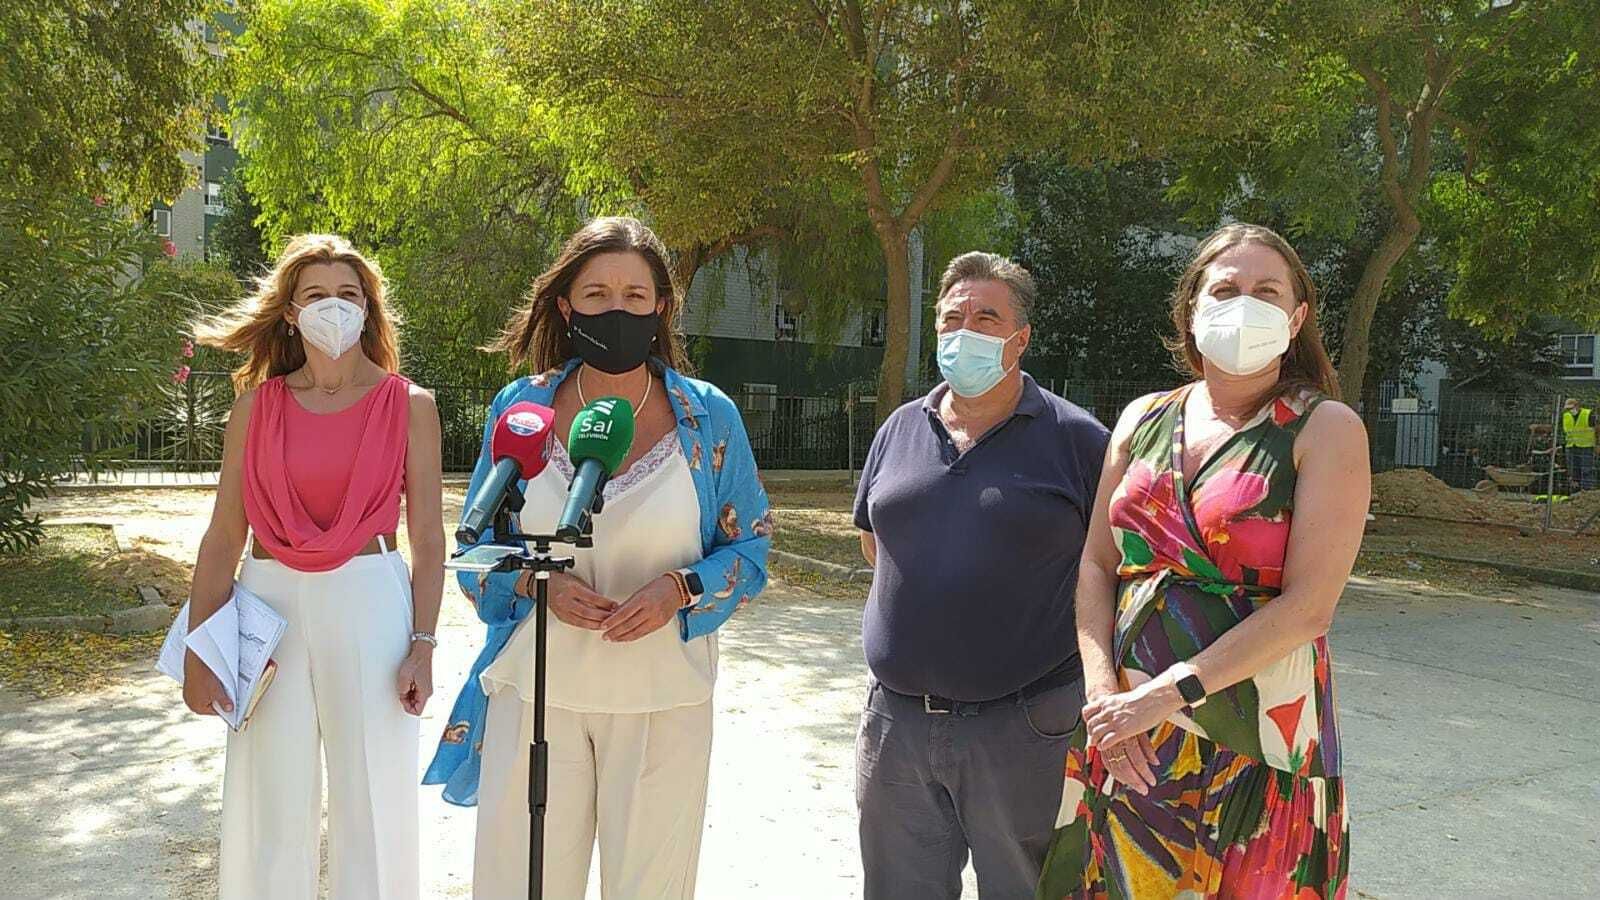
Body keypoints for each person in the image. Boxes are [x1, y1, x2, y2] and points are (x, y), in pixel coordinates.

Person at [424, 216, 772, 898]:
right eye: (597, 294)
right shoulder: (522, 408)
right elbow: (475, 546)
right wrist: (536, 585)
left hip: (663, 702)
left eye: (635, 296)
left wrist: (681, 587)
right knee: (519, 884)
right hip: (536, 694)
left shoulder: (709, 417)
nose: (617, 310)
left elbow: (752, 548)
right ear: (565, 306)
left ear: (661, 307)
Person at [1037, 223, 1369, 899]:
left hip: (1255, 740)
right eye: (1225, 289)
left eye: (1266, 291)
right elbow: (1097, 564)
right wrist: (1104, 696)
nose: (1244, 303)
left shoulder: (1325, 428)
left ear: (1296, 318)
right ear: (1191, 310)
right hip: (1127, 735)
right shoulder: (1141, 419)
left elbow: (1310, 608)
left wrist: (1164, 696)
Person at [186, 234, 444, 899]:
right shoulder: (255, 407)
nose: (335, 306)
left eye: (349, 294)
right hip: (267, 600)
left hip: (370, 597)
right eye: (317, 294)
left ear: (368, 309)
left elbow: (427, 538)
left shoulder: (410, 405)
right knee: (269, 797)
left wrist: (423, 645)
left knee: (373, 795)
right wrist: (198, 650)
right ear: (291, 312)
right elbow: (224, 535)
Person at [852, 252, 1110, 898]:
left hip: (1025, 727)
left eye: (986, 318)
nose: (963, 332)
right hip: (897, 725)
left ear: (1020, 339)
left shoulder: (1079, 440)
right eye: (951, 318)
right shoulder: (900, 428)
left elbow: (1110, 568)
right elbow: (874, 543)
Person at [1561, 396, 1595, 492]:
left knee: (1586, 471)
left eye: (1571, 408)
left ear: (1577, 406)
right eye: (1568, 409)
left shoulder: (1588, 414)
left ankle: (1586, 492)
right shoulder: (1565, 416)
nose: (1570, 410)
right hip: (1571, 446)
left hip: (1586, 447)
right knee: (1573, 472)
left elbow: (1597, 429)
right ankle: (1575, 493)